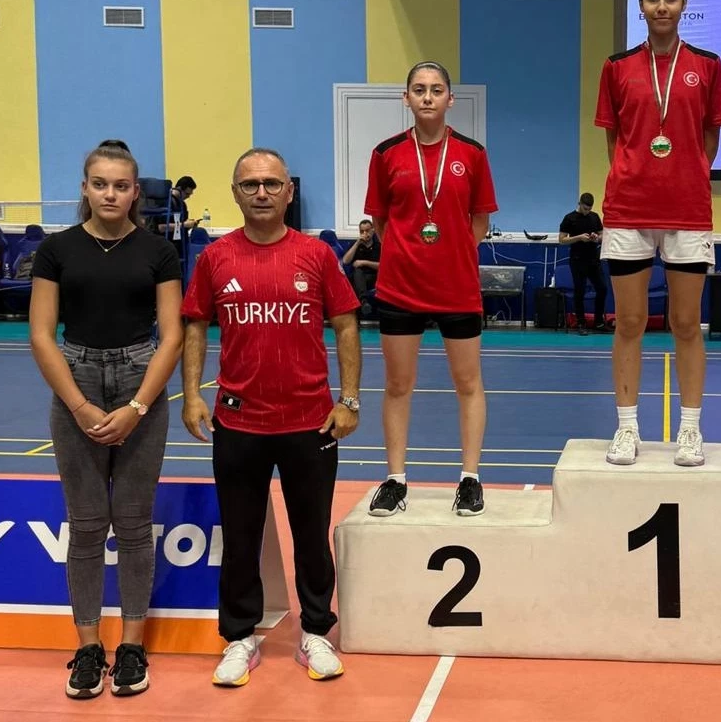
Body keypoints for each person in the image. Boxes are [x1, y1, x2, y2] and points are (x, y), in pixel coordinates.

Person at [180, 148, 362, 686]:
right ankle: (240, 637)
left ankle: (315, 632)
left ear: (289, 192)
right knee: (240, 537)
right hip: (238, 424)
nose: (261, 193)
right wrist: (191, 396)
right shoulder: (214, 258)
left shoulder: (317, 255)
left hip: (311, 422)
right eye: (250, 184)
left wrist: (349, 400)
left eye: (272, 184)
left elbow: (346, 325)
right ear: (235, 193)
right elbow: (195, 326)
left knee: (311, 534)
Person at [28, 142, 183, 698]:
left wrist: (138, 406)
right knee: (88, 524)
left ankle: (132, 647)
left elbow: (172, 335)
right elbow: (41, 335)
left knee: (135, 524)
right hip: (78, 381)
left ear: (135, 192)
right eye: (100, 184)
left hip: (141, 379)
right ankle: (89, 648)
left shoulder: (159, 252)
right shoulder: (57, 250)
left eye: (120, 185)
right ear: (85, 188)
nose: (110, 194)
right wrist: (81, 406)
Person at [594, 0, 721, 467]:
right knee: (629, 321)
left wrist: (683, 175)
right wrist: (640, 176)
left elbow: (710, 139)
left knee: (686, 323)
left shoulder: (708, 65)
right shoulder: (617, 67)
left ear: (683, 4)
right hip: (629, 210)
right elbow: (615, 139)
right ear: (641, 5)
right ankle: (627, 427)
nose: (662, 6)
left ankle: (690, 429)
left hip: (688, 211)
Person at [362, 60, 498, 517]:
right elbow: (381, 221)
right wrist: (410, 254)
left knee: (468, 383)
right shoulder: (386, 154)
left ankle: (470, 478)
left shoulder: (472, 154)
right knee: (398, 384)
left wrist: (449, 254)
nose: (427, 96)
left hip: (458, 287)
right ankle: (396, 480)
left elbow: (480, 221)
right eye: (418, 89)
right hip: (400, 288)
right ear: (406, 98)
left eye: (436, 89)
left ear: (450, 99)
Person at [558, 192, 608, 334]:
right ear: (579, 204)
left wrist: (596, 237)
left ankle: (599, 322)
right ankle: (581, 323)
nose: (587, 211)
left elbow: (602, 235)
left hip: (593, 259)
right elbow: (562, 240)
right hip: (577, 260)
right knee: (579, 291)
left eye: (589, 209)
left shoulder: (594, 217)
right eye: (585, 208)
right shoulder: (569, 218)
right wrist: (579, 238)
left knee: (602, 288)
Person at [341, 218, 381, 317]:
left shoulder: (379, 245)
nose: (364, 233)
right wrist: (357, 243)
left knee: (356, 280)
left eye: (367, 230)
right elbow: (345, 261)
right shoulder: (355, 244)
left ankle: (358, 313)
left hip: (374, 277)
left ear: (373, 230)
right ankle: (364, 302)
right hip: (358, 278)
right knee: (357, 273)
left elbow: (383, 266)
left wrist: (364, 262)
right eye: (362, 231)